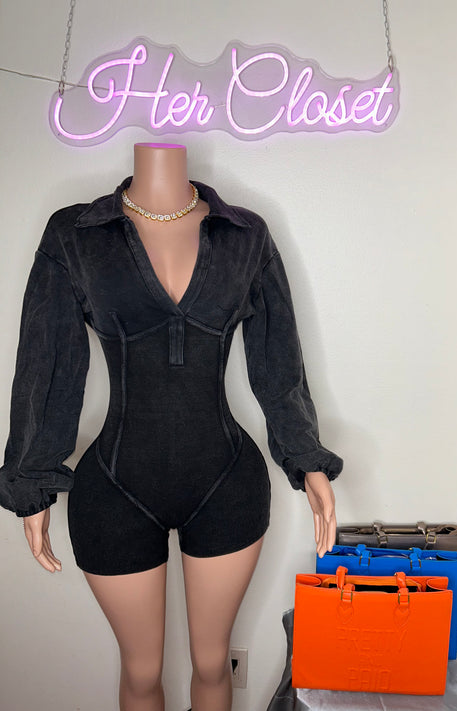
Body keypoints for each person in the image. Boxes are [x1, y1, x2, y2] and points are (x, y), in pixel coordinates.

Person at [0, 143, 342, 711]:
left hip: (227, 482)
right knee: (140, 674)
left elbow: (278, 361)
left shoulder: (245, 235)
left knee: (212, 664)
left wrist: (306, 458)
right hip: (114, 488)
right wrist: (30, 477)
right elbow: (47, 361)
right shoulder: (76, 234)